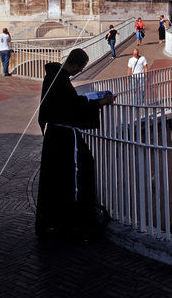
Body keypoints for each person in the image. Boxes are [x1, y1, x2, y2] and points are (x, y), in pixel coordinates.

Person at [35, 48, 114, 242]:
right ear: (76, 64)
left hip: (54, 134)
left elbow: (68, 102)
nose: (79, 72)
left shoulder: (55, 77)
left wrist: (89, 99)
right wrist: (100, 102)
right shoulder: (60, 79)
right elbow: (72, 107)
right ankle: (73, 222)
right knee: (77, 172)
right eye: (81, 68)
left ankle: (53, 222)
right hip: (63, 136)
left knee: (55, 179)